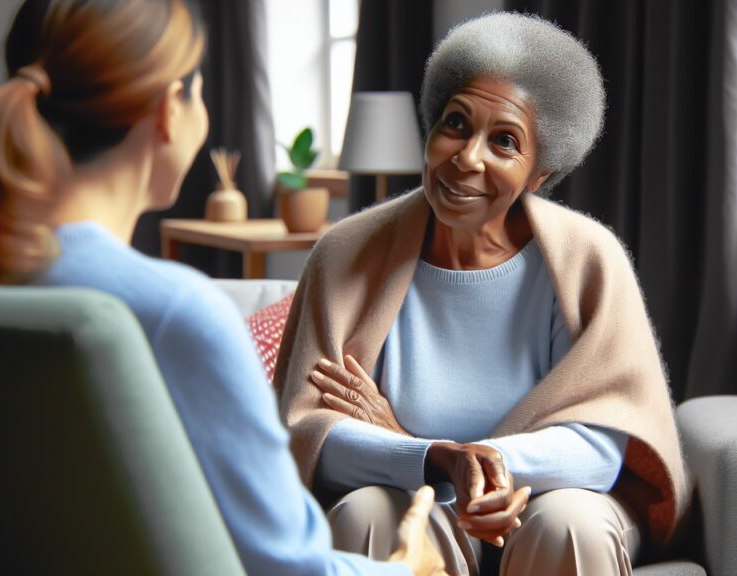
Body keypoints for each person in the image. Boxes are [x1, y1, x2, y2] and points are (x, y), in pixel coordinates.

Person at [0, 1, 446, 575]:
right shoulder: (176, 313)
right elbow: (288, 569)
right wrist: (412, 568)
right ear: (167, 111)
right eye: (198, 91)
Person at [275, 12, 688, 576]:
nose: (467, 158)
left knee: (570, 525)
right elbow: (310, 432)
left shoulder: (588, 258)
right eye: (456, 123)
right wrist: (430, 459)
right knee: (368, 514)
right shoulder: (347, 252)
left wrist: (485, 463)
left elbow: (603, 443)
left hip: (545, 500)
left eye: (504, 141)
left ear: (539, 174)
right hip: (414, 492)